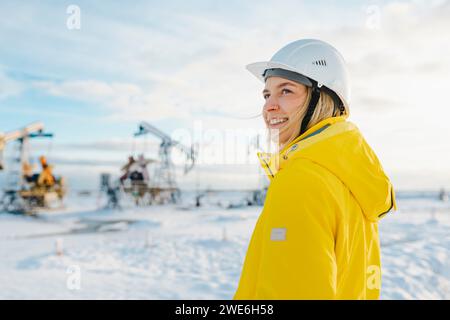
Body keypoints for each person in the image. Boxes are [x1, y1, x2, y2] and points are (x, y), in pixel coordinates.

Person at [233, 39, 397, 300]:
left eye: (286, 91)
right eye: (267, 94)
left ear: (322, 98)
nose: (268, 107)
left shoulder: (301, 180)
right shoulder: (354, 178)